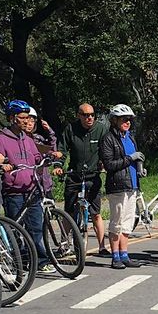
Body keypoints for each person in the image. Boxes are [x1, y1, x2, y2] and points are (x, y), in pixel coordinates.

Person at [0, 100, 49, 268]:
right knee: (16, 229)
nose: (26, 121)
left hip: (32, 189)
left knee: (36, 228)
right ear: (12, 118)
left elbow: (36, 157)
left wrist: (47, 158)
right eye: (23, 117)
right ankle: (20, 261)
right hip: (14, 191)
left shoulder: (28, 139)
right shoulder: (1, 139)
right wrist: (2, 165)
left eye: (28, 117)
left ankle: (40, 260)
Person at [61, 102, 109, 257]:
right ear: (79, 115)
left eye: (92, 115)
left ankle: (102, 246)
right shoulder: (71, 129)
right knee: (68, 212)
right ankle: (64, 244)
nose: (89, 118)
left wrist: (104, 163)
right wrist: (59, 165)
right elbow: (62, 149)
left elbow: (106, 149)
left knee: (96, 213)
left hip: (93, 175)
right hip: (75, 175)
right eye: (86, 115)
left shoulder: (101, 129)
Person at [99, 104, 144, 268]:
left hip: (132, 185)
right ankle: (115, 256)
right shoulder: (108, 139)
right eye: (124, 119)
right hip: (118, 185)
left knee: (127, 223)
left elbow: (135, 159)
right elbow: (109, 164)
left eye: (129, 120)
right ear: (115, 120)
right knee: (116, 222)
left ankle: (125, 254)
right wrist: (130, 158)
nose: (128, 122)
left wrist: (139, 169)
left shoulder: (130, 137)